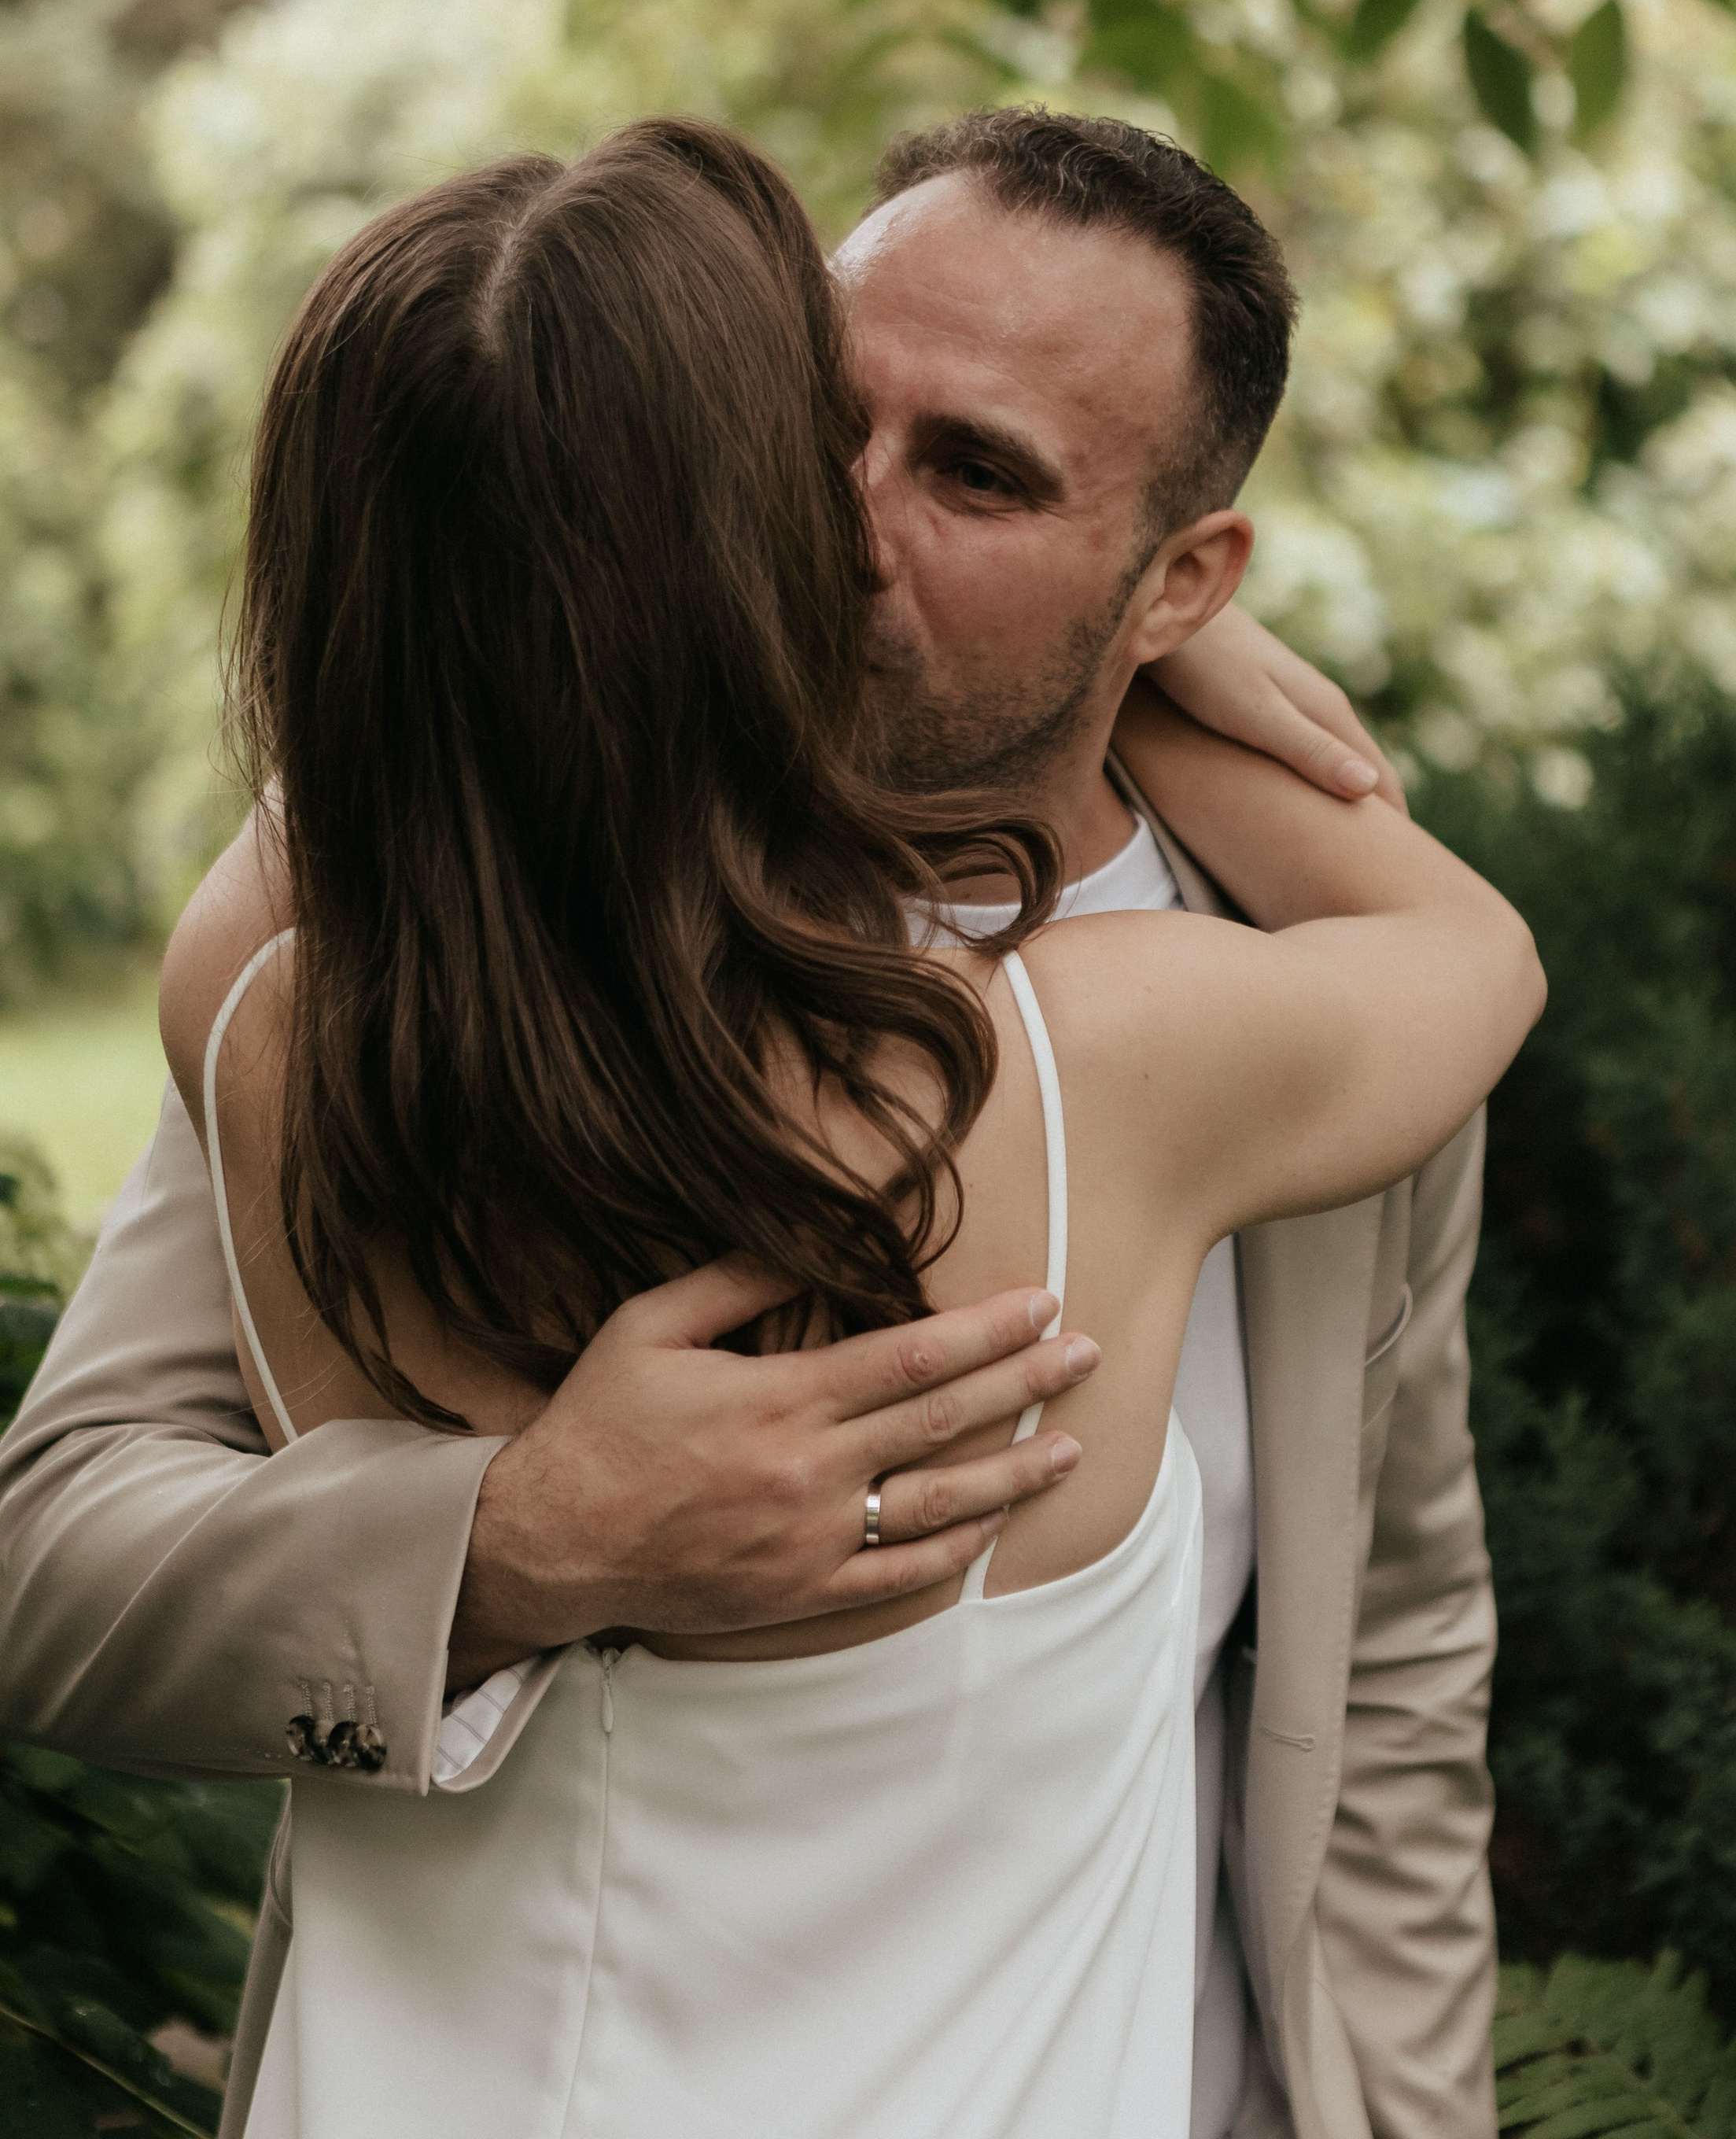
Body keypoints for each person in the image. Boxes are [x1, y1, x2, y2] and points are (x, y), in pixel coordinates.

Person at [0, 107, 1513, 2139]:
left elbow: (1396, 1677)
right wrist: (508, 1552)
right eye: (823, 427)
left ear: (1184, 573)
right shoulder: (432, 971)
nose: (854, 526)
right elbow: (50, 1558)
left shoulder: (291, 960)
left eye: (977, 473)